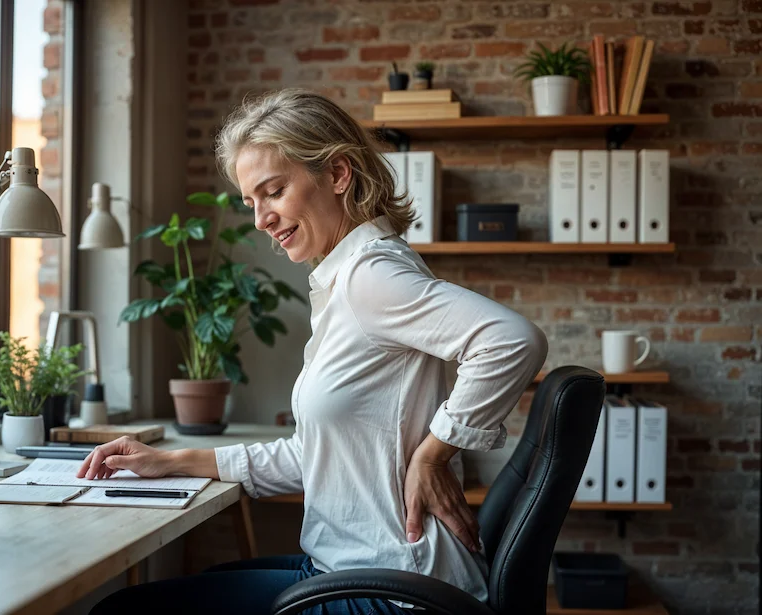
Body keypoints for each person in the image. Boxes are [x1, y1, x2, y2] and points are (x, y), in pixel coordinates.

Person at [80, 88, 548, 615]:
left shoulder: (371, 276)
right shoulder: (347, 278)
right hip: (355, 568)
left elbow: (512, 341)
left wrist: (434, 451)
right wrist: (172, 460)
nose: (261, 219)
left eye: (274, 192)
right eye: (251, 202)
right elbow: (318, 454)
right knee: (204, 583)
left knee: (122, 611)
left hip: (394, 589)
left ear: (338, 175)